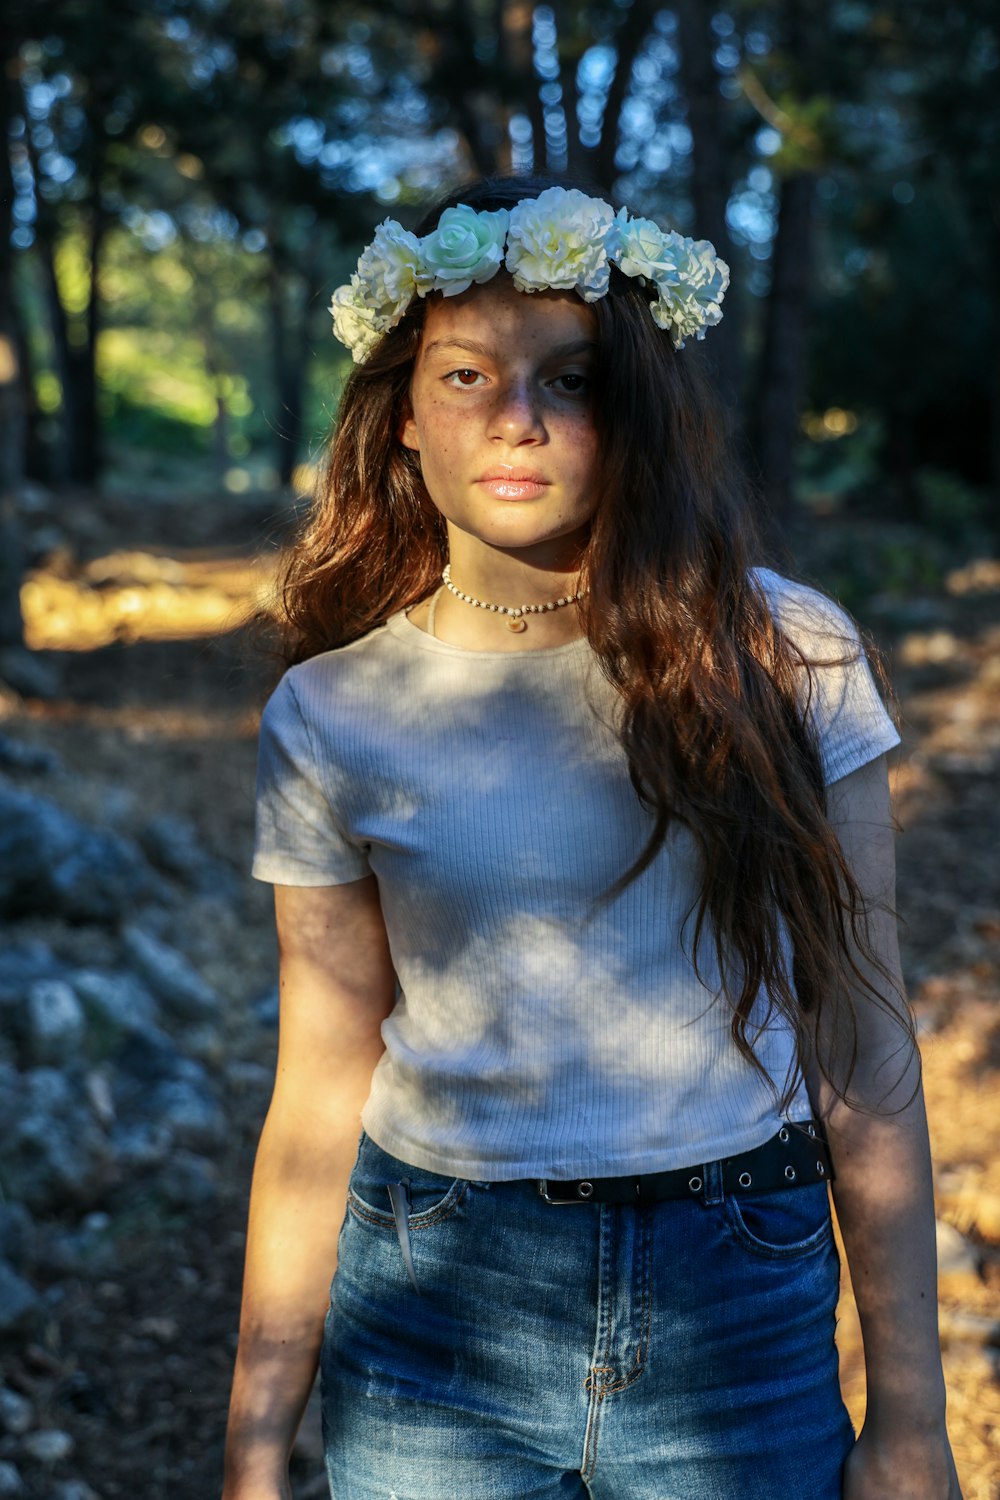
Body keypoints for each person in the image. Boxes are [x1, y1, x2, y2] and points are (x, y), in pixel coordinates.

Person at [222, 176, 963, 1500]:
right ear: (403, 415)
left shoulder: (784, 653)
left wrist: (914, 1420)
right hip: (432, 1298)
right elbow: (319, 1083)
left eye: (572, 380)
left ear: (635, 412)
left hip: (732, 1290)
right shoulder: (331, 710)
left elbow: (861, 1031)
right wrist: (256, 1432)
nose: (520, 418)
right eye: (468, 376)